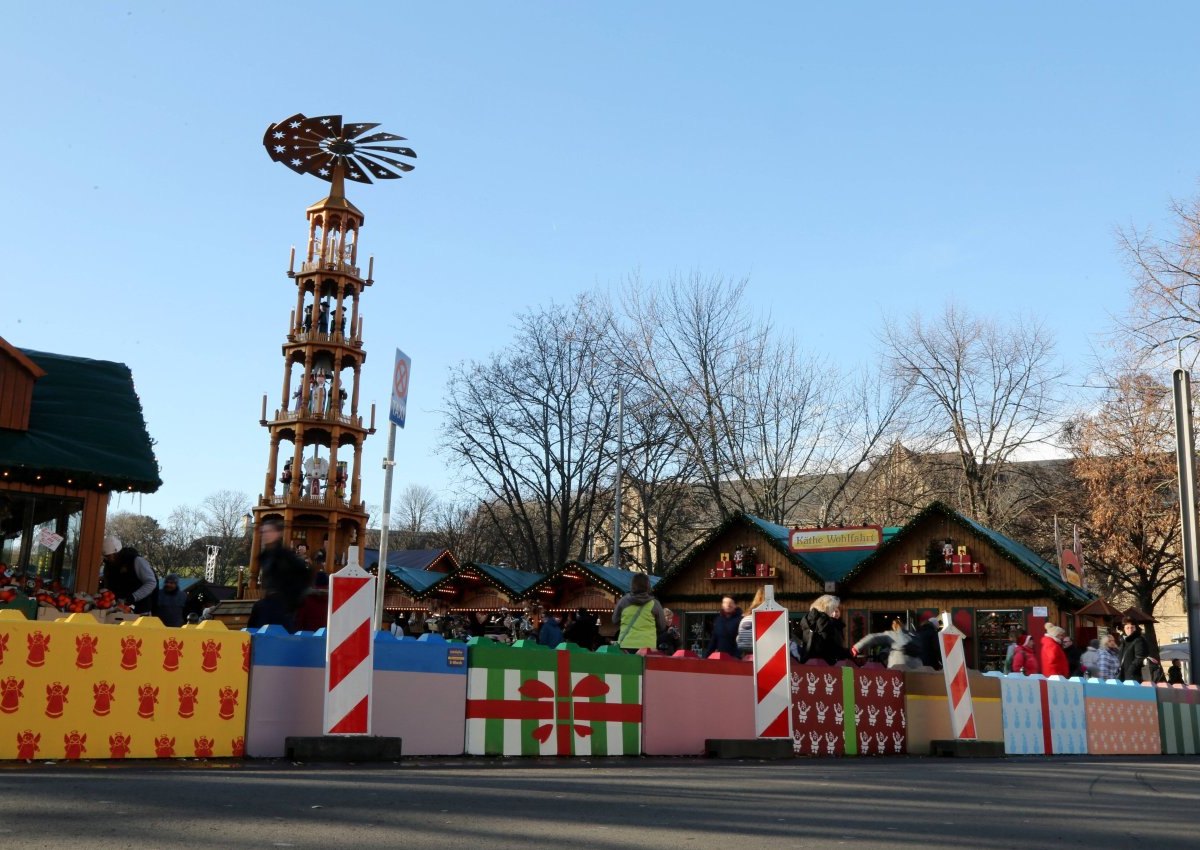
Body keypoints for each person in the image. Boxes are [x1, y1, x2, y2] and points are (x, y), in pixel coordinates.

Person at [247, 518, 311, 631]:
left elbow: (304, 576)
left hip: (282, 606)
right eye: (263, 532)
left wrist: (292, 602)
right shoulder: (265, 556)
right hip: (268, 603)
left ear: (277, 533)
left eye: (269, 531)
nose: (265, 535)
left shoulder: (285, 556)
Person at [100, 536, 158, 615]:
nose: (107, 559)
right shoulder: (109, 566)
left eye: (108, 556)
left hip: (140, 612)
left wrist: (133, 597)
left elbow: (151, 582)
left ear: (116, 553)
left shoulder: (136, 561)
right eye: (106, 556)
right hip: (117, 611)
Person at [612, 572, 666, 653]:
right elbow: (662, 626)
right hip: (648, 646)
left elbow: (614, 620)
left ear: (632, 585)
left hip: (626, 645)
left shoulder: (623, 601)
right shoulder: (655, 604)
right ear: (648, 586)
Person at [798, 594, 850, 665]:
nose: (834, 612)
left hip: (808, 663)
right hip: (826, 666)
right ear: (827, 608)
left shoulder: (809, 621)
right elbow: (830, 647)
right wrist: (848, 653)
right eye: (833, 608)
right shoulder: (825, 622)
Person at [852, 618, 921, 670]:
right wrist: (885, 652)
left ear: (894, 626)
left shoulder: (892, 634)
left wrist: (856, 647)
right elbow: (897, 647)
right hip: (916, 667)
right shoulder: (913, 635)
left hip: (898, 666)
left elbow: (873, 637)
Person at [1118, 618, 1149, 682]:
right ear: (1124, 628)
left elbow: (1139, 657)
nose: (1130, 630)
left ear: (1136, 628)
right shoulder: (1123, 641)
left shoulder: (1138, 640)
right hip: (1123, 675)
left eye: (1132, 627)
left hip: (1133, 676)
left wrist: (1130, 671)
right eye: (1127, 627)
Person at [736, 589, 766, 656]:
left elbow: (738, 637)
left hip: (743, 650)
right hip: (759, 651)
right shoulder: (764, 617)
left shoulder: (745, 617)